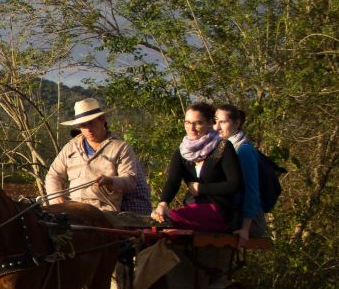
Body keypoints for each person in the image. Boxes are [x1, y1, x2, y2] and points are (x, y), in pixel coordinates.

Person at [45, 97, 151, 226]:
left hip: (103, 211)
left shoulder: (120, 147)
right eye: (83, 125)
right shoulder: (71, 147)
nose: (88, 129)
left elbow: (131, 180)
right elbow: (53, 175)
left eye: (91, 123)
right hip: (73, 207)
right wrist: (56, 197)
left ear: (102, 119)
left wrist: (111, 181)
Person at [151, 102, 240, 232]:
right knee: (154, 223)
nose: (191, 128)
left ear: (210, 123)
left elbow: (235, 184)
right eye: (187, 122)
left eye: (197, 123)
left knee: (169, 220)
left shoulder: (223, 147)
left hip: (218, 209)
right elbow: (173, 181)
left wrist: (201, 189)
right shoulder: (182, 152)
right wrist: (162, 204)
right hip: (192, 206)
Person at [214, 103, 268, 246]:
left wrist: (245, 229)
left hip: (248, 221)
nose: (217, 127)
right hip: (231, 212)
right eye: (215, 121)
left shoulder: (243, 150)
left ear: (237, 123)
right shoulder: (221, 147)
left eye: (223, 122)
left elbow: (252, 190)